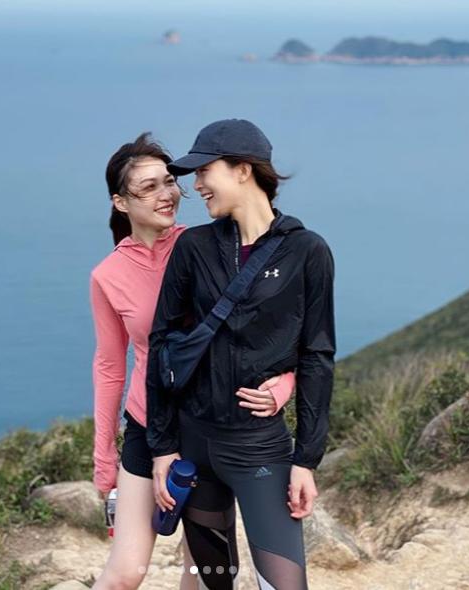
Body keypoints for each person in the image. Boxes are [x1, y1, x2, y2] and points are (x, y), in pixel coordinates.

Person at [89, 132, 298, 590]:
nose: (167, 194)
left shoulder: (212, 247)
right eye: (148, 187)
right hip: (149, 426)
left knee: (205, 574)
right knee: (125, 572)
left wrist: (284, 385)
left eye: (170, 182)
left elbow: (274, 330)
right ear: (120, 203)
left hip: (211, 424)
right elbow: (110, 366)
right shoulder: (108, 275)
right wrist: (104, 454)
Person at [146, 119, 336, 590]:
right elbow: (163, 345)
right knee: (213, 582)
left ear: (243, 170)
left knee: (285, 585)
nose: (196, 185)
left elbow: (317, 355)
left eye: (204, 171)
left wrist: (307, 459)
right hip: (194, 448)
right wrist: (163, 448)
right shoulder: (193, 248)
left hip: (259, 450)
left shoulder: (307, 251)